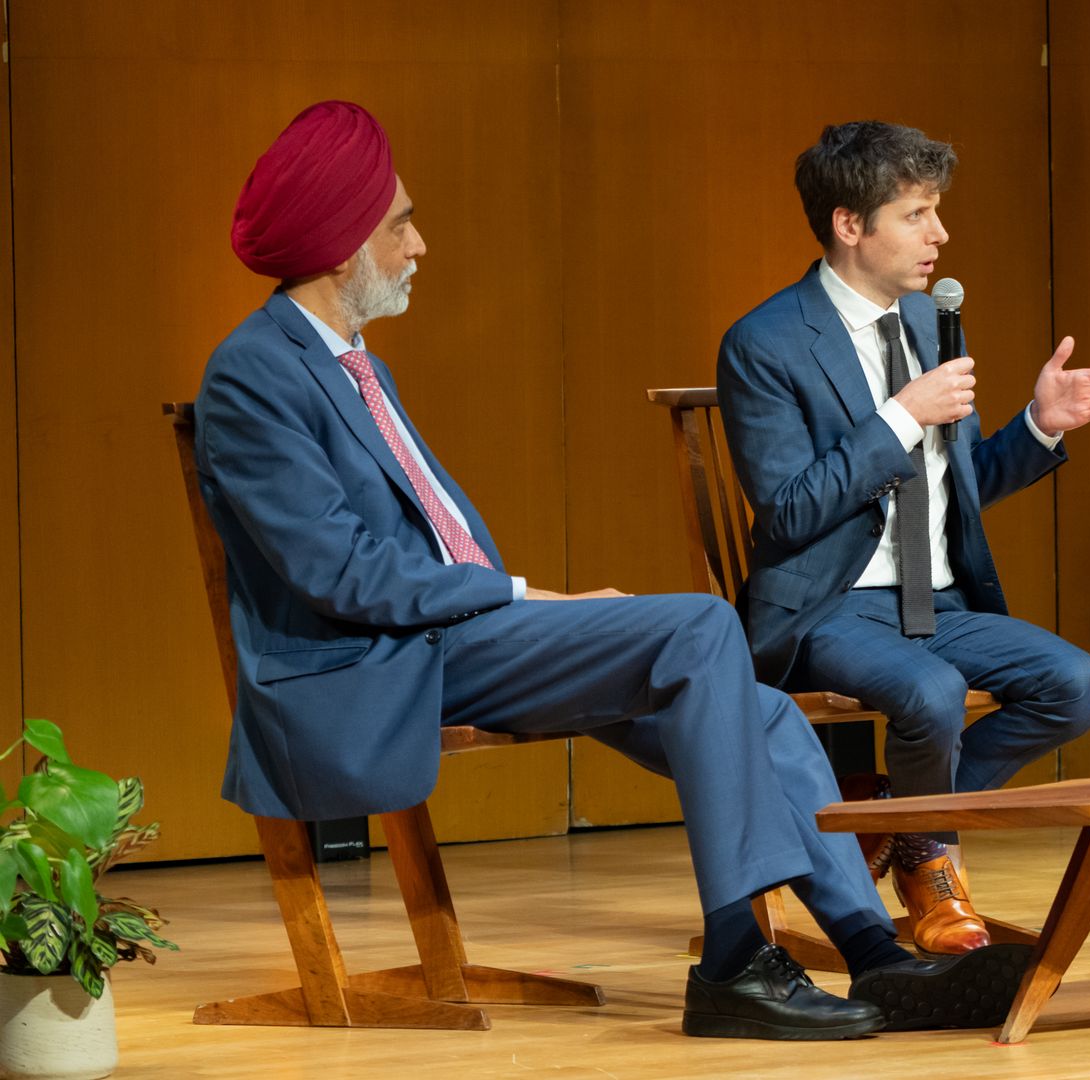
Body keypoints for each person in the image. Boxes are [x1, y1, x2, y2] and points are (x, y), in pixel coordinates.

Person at [199, 101, 1027, 1039]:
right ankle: (732, 965)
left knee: (754, 712)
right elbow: (343, 576)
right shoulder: (255, 373)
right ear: (343, 245)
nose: (419, 244)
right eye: (401, 223)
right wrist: (523, 596)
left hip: (458, 635)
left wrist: (530, 605)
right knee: (703, 627)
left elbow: (418, 549)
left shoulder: (353, 363)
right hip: (379, 663)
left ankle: (877, 957)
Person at [717, 121, 1090, 954]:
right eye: (916, 214)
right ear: (850, 224)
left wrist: (1040, 428)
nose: (939, 234)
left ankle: (898, 821)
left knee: (1077, 685)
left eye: (936, 212)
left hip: (935, 597)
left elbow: (960, 483)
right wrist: (903, 415)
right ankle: (934, 866)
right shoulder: (764, 343)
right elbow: (791, 513)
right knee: (933, 691)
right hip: (826, 607)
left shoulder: (928, 320)